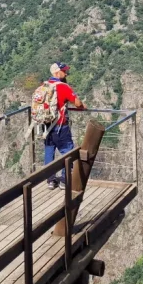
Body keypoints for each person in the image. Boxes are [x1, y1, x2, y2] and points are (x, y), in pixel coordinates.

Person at [43, 62, 85, 190]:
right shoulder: (63, 87)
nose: (66, 73)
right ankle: (64, 181)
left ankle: (50, 181)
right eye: (64, 71)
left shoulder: (44, 86)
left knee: (49, 152)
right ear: (57, 72)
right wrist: (83, 106)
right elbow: (77, 103)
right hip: (61, 126)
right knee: (68, 152)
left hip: (46, 125)